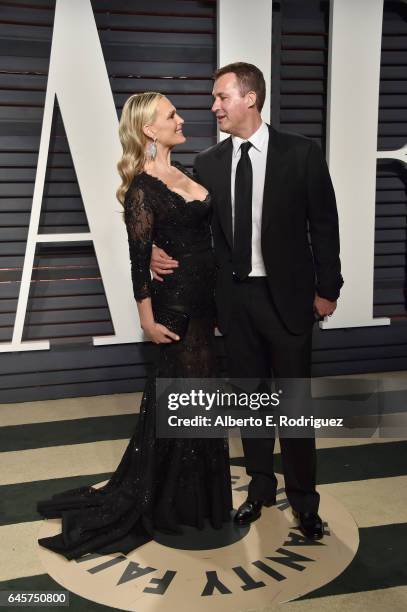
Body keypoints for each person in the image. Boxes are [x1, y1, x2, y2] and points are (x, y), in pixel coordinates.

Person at [151, 62, 343, 540]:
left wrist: (328, 290)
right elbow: (195, 232)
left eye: (221, 97)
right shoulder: (210, 163)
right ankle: (259, 491)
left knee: (295, 406)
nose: (213, 106)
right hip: (234, 305)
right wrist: (152, 250)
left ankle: (305, 503)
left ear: (250, 98)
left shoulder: (301, 153)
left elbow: (324, 226)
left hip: (291, 303)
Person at [36, 92, 233, 560]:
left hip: (206, 305)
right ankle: (174, 504)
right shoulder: (143, 188)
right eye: (171, 115)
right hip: (175, 308)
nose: (181, 119)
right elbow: (137, 260)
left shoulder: (190, 172)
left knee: (205, 395)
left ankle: (199, 502)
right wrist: (146, 319)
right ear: (149, 128)